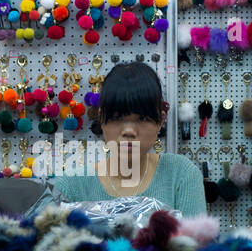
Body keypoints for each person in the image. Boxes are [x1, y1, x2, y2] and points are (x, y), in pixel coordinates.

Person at [50, 61, 206, 216]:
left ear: (161, 120)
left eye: (142, 118)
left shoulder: (181, 175)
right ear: (101, 119)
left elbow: (196, 239)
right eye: (117, 118)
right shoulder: (71, 185)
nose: (128, 131)